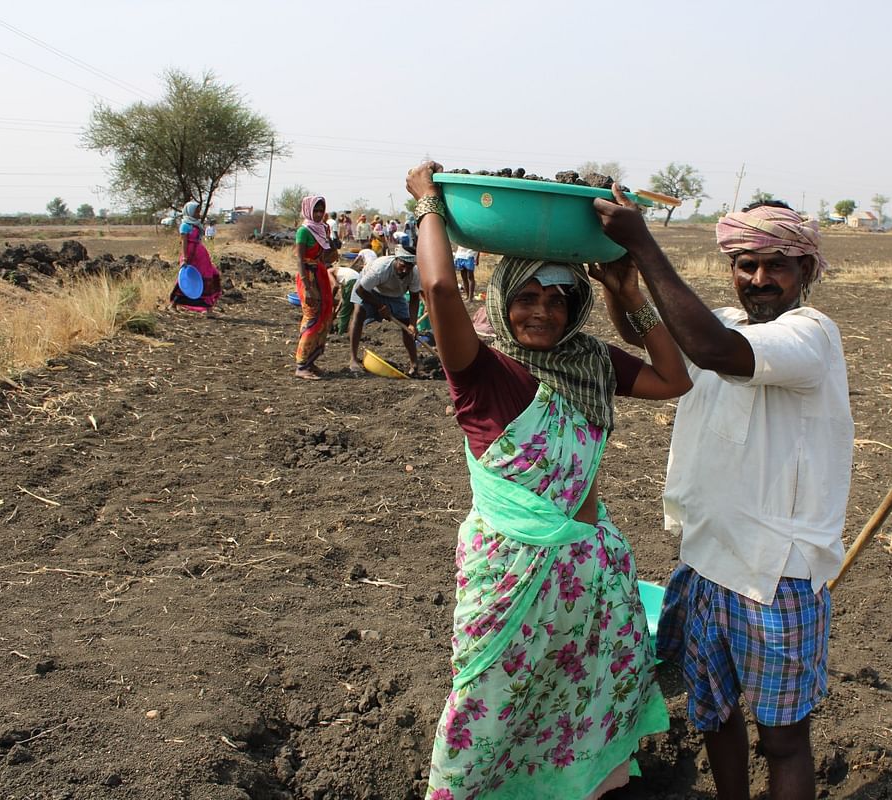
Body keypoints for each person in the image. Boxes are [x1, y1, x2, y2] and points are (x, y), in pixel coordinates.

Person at [405, 160, 693, 800]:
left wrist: (630, 293)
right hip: (511, 581)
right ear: (502, 301)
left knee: (579, 713)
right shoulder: (482, 371)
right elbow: (441, 293)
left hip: (589, 581)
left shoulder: (589, 362)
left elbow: (675, 379)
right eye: (527, 297)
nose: (542, 312)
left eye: (558, 299)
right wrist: (428, 206)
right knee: (488, 711)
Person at [593, 195, 853, 800]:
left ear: (806, 272)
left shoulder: (809, 335)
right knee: (713, 714)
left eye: (776, 265)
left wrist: (643, 244)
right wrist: (624, 290)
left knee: (784, 740)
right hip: (707, 558)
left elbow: (712, 353)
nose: (758, 279)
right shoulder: (722, 322)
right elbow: (664, 339)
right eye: (744, 264)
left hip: (775, 573)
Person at [347, 243, 422, 376]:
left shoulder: (414, 273)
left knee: (407, 326)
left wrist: (413, 324)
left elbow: (415, 298)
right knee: (359, 313)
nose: (405, 270)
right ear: (396, 260)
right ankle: (353, 359)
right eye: (402, 266)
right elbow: (361, 290)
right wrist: (380, 306)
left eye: (409, 267)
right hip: (369, 290)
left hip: (395, 295)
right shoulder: (381, 268)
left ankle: (414, 364)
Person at [294, 195, 338, 380]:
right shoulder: (303, 232)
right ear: (308, 210)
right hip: (309, 277)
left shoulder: (324, 229)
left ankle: (311, 361)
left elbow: (327, 255)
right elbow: (299, 259)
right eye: (315, 210)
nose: (319, 214)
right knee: (312, 317)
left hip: (320, 274)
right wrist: (307, 285)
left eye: (321, 210)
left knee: (324, 316)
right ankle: (301, 364)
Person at [169, 201, 222, 314]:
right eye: (197, 211)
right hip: (191, 256)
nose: (199, 213)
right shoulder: (185, 226)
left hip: (201, 257)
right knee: (187, 279)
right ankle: (174, 304)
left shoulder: (197, 224)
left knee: (207, 277)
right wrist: (185, 258)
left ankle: (208, 308)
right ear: (190, 212)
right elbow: (184, 242)